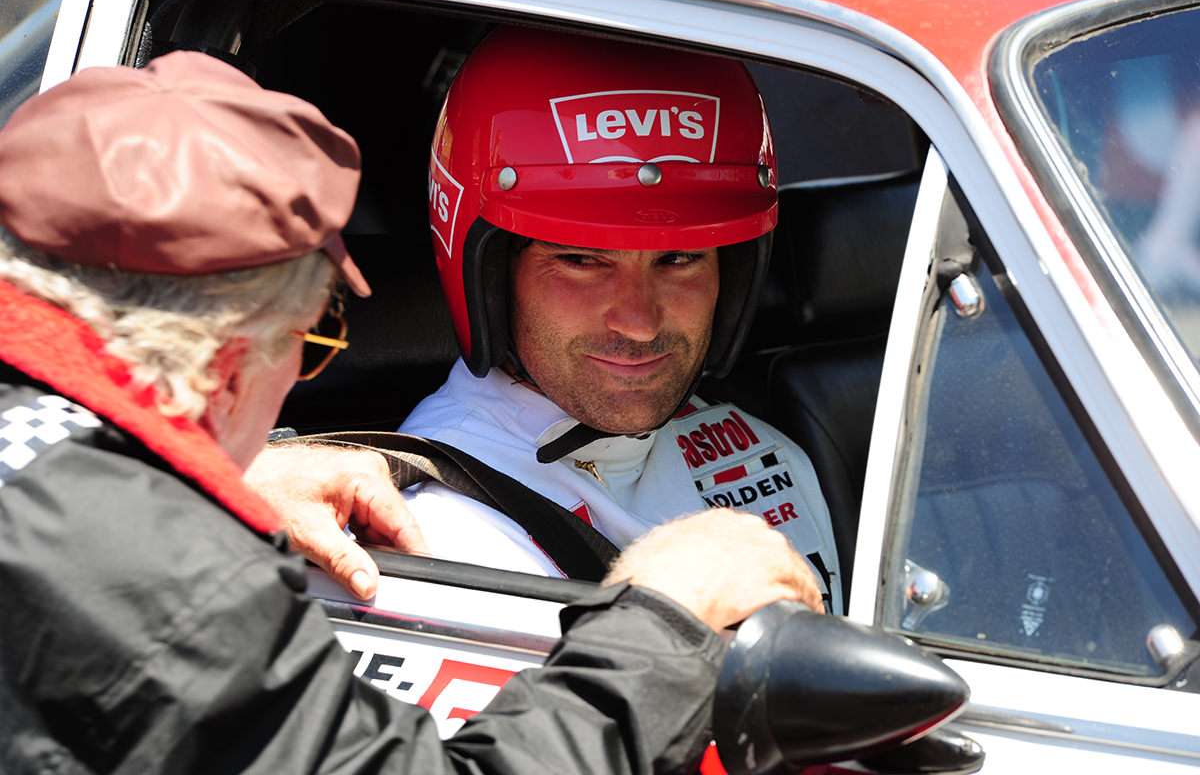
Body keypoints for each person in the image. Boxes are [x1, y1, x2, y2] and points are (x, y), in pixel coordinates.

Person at [0, 50, 823, 773]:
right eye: (311, 346)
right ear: (224, 371)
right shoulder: (171, 573)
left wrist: (225, 471)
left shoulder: (85, 502)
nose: (639, 318)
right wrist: (665, 618)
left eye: (680, 260)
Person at [249, 26, 843, 613]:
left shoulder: (767, 459)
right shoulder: (428, 534)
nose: (638, 320)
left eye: (679, 258)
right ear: (491, 275)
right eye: (582, 260)